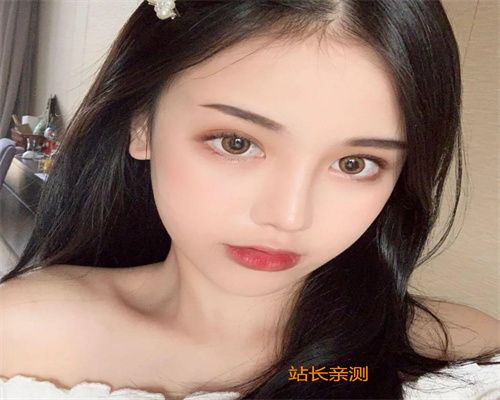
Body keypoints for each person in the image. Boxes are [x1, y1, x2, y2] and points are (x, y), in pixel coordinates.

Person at [0, 0, 499, 399]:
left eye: (355, 164)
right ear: (142, 125)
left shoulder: (467, 359)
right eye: (236, 143)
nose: (288, 216)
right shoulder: (19, 335)